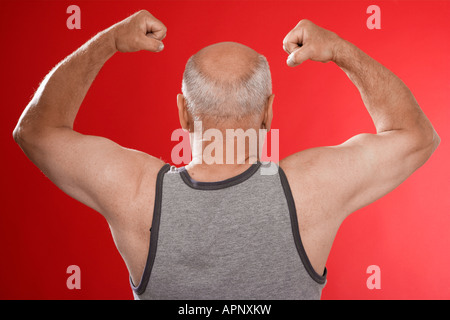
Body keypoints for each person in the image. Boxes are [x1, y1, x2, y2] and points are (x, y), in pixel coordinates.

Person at [13, 10, 440, 300]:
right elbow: (416, 135)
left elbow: (35, 131)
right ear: (269, 114)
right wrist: (339, 50)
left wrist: (109, 41)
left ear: (182, 112)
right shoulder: (311, 190)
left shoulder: (137, 193)